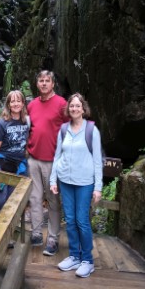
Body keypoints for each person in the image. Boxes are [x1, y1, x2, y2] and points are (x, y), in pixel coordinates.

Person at [49, 93, 103, 278]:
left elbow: (97, 161)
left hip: (84, 182)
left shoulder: (91, 130)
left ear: (83, 108)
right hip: (65, 181)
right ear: (68, 109)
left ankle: (87, 260)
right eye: (71, 106)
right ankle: (74, 256)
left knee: (82, 221)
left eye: (77, 106)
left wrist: (98, 187)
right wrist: (53, 180)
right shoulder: (64, 129)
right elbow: (57, 156)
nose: (74, 109)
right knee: (70, 220)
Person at [27, 70, 69, 256]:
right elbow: (27, 128)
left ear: (53, 84)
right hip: (33, 159)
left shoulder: (61, 104)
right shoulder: (32, 105)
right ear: (37, 84)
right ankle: (36, 233)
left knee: (53, 200)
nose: (44, 83)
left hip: (53, 161)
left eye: (47, 81)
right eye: (41, 81)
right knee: (35, 198)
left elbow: (71, 128)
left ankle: (52, 238)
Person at [0, 90, 30, 220]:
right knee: (0, 200)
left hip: (19, 168)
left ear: (23, 103)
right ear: (8, 104)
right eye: (12, 101)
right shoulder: (2, 123)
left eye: (18, 101)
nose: (16, 104)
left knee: (13, 201)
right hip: (3, 166)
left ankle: (8, 230)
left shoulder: (26, 122)